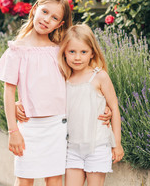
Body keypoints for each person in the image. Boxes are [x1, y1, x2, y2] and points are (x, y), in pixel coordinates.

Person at [0, 0, 73, 186]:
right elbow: (9, 91)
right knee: (24, 178)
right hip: (29, 127)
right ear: (34, 9)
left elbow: (76, 82)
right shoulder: (17, 50)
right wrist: (13, 131)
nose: (47, 20)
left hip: (57, 125)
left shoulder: (60, 50)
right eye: (44, 12)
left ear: (60, 24)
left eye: (54, 18)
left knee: (54, 179)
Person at [58, 24, 124, 186]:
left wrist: (117, 143)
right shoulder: (63, 78)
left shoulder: (100, 77)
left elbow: (114, 108)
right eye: (72, 52)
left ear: (92, 53)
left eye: (83, 52)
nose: (77, 57)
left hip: (98, 146)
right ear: (64, 53)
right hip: (71, 148)